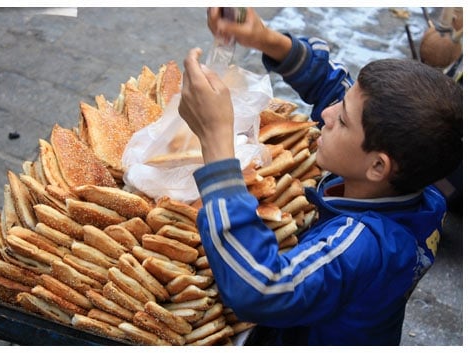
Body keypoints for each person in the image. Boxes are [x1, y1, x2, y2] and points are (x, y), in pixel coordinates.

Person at [177, 8, 462, 345]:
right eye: (340, 106)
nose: (327, 114)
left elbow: (262, 289)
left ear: (378, 167)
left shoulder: (364, 244)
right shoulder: (414, 173)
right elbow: (332, 87)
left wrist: (217, 143)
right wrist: (269, 41)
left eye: (342, 121)